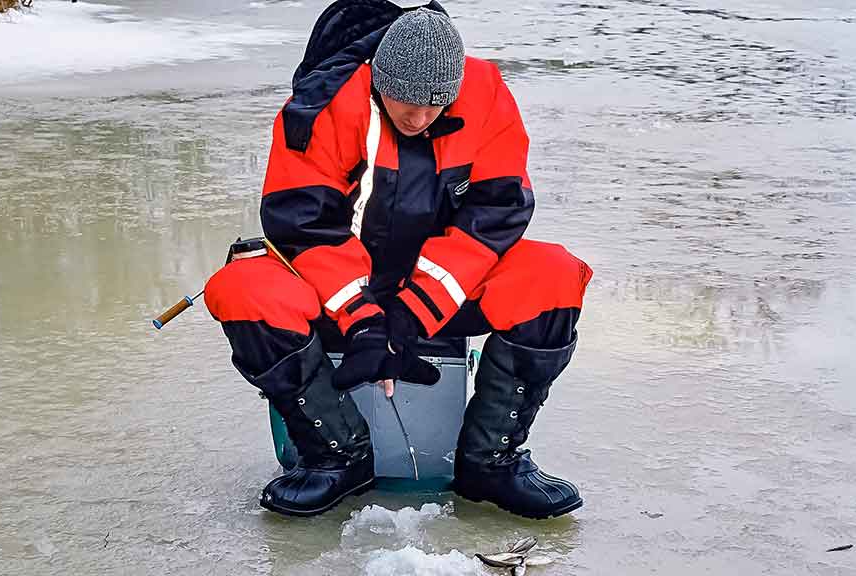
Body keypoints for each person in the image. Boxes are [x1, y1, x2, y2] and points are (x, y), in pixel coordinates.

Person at [204, 0, 592, 519]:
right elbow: (305, 229)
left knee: (554, 275)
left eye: (434, 106)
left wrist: (412, 315)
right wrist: (365, 323)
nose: (418, 117)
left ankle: (489, 462)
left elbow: (493, 218)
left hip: (442, 285)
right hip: (335, 285)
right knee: (243, 288)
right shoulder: (323, 106)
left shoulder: (486, 96)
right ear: (375, 79)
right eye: (404, 102)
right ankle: (335, 456)